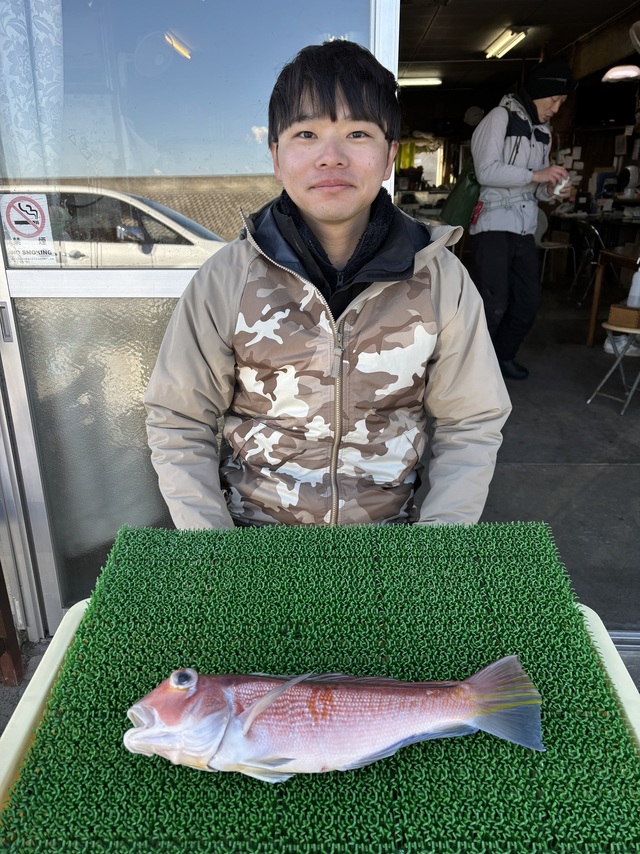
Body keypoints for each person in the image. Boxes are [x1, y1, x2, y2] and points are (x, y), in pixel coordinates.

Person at [143, 39, 511, 530]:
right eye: (306, 134)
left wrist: (435, 549)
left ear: (388, 158)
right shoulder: (226, 278)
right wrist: (213, 551)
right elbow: (179, 419)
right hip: (252, 537)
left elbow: (470, 422)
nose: (331, 157)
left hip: (388, 539)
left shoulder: (441, 279)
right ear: (276, 156)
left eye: (357, 133)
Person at [469, 58, 575, 381]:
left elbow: (537, 186)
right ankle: (473, 372)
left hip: (524, 225)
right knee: (492, 303)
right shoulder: (499, 118)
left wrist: (552, 190)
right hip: (493, 223)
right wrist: (536, 173)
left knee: (528, 303)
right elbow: (485, 170)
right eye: (554, 99)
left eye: (562, 102)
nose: (556, 108)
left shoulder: (544, 132)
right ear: (541, 91)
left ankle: (501, 357)